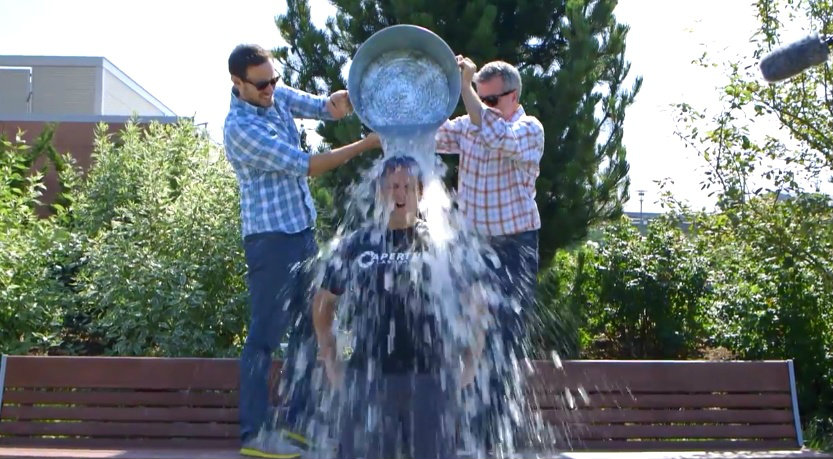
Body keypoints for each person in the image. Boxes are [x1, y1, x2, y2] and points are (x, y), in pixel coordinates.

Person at [223, 43, 380, 459]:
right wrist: (365, 145)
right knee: (264, 338)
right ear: (238, 83)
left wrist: (344, 101)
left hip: (301, 233)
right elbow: (306, 164)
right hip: (270, 241)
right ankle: (254, 434)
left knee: (309, 328)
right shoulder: (240, 128)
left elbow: (323, 107)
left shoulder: (272, 92)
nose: (271, 88)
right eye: (261, 84)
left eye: (273, 79)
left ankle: (296, 424)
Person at [312, 156, 488, 459]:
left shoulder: (441, 243)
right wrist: (329, 356)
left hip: (431, 377)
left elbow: (476, 300)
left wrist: (472, 358)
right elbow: (323, 302)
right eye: (393, 186)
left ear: (420, 193)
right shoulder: (357, 243)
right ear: (380, 192)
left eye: (408, 186)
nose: (400, 193)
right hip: (368, 376)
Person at [435, 57, 545, 452]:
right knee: (466, 337)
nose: (480, 105)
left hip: (514, 245)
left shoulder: (528, 128)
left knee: (504, 340)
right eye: (478, 96)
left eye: (490, 99)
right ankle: (466, 431)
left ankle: (496, 437)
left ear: (513, 97)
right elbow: (427, 134)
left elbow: (498, 137)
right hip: (474, 247)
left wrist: (466, 91)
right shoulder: (469, 124)